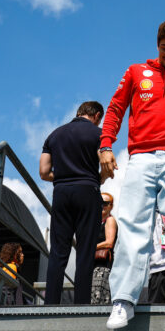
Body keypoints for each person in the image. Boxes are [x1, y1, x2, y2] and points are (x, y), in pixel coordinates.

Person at [99, 18, 165, 330]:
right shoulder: (136, 72)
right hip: (141, 156)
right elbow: (116, 108)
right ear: (157, 45)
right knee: (133, 225)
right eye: (164, 48)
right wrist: (106, 145)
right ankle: (123, 300)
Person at [40, 101, 104, 304]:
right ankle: (82, 303)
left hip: (61, 192)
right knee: (85, 250)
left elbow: (43, 172)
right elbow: (108, 166)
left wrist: (61, 177)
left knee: (58, 250)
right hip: (87, 190)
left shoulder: (54, 134)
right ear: (97, 115)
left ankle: (50, 302)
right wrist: (96, 178)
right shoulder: (98, 134)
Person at [91, 192, 118, 304]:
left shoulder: (110, 220)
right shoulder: (96, 221)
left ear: (111, 206)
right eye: (99, 203)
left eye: (105, 203)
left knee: (98, 298)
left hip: (102, 266)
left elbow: (109, 243)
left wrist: (91, 247)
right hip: (93, 264)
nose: (102, 206)